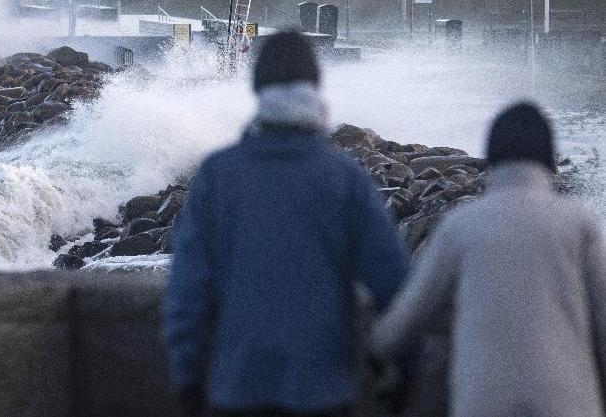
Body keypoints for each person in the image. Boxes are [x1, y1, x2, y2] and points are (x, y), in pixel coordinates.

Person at [165, 30, 410, 417]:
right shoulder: (344, 179)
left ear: (257, 87)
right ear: (315, 86)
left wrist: (189, 378)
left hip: (237, 387)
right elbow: (394, 286)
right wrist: (402, 373)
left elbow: (187, 290)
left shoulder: (219, 175)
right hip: (322, 389)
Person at [372, 101, 606, 417]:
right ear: (549, 158)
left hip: (484, 405)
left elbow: (403, 326)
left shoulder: (463, 224)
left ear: (491, 157)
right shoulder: (579, 223)